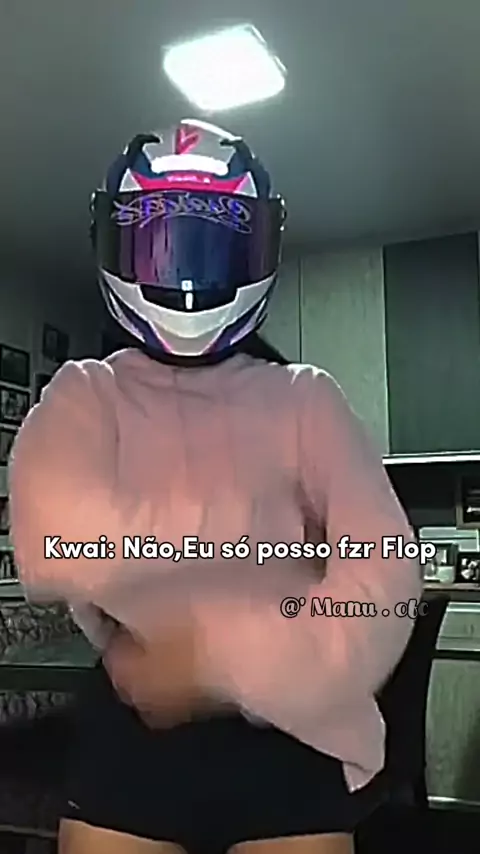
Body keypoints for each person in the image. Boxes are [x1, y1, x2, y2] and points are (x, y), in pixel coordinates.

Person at [9, 118, 422, 854]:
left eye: (211, 245)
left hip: (289, 728)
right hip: (140, 726)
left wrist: (205, 657)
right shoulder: (86, 392)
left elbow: (386, 575)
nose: (186, 272)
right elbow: (56, 544)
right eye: (162, 244)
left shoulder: (305, 398)